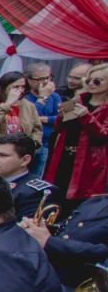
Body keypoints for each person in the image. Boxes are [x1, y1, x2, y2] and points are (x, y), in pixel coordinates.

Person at [44, 61, 108, 215]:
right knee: (55, 194)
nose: (92, 84)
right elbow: (58, 129)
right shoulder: (78, 100)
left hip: (89, 162)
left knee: (79, 201)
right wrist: (61, 117)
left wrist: (87, 117)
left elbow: (103, 135)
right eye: (88, 80)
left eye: (97, 81)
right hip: (63, 156)